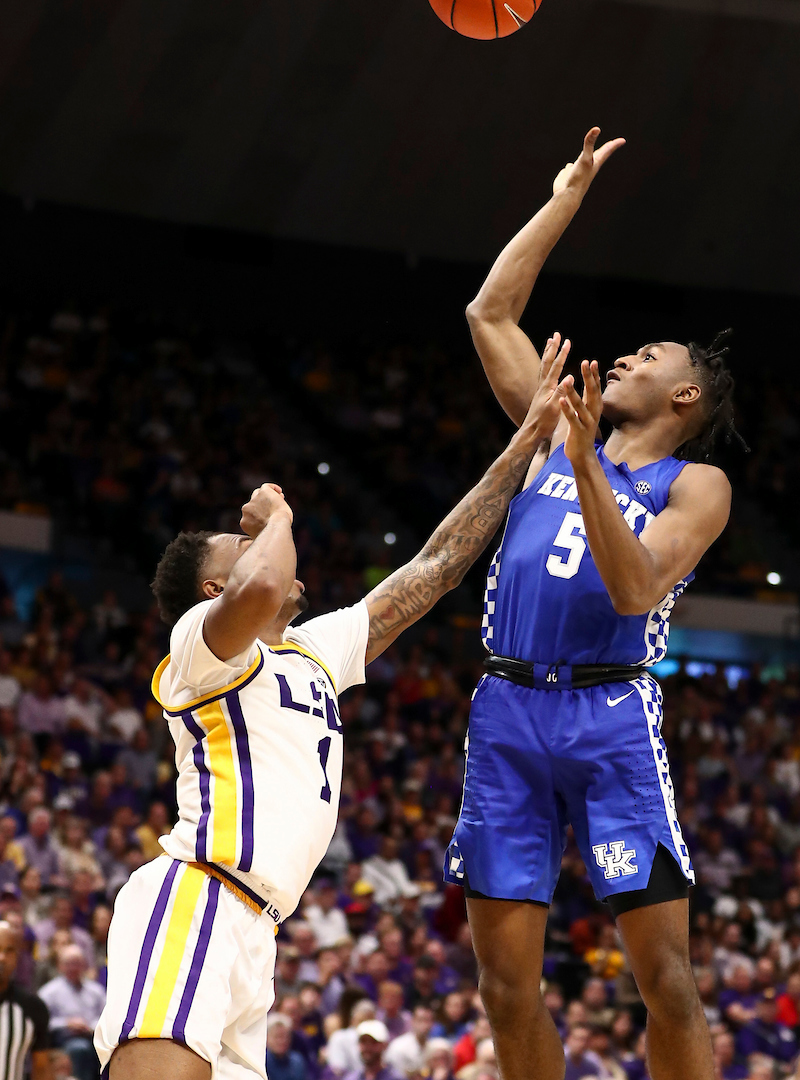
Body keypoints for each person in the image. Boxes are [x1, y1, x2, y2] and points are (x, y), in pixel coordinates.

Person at [95, 361, 568, 1080]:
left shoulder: (311, 650)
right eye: (243, 547)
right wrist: (278, 519)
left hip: (258, 926)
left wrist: (527, 439)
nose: (270, 549)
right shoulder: (200, 645)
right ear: (214, 588)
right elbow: (258, 587)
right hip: (198, 892)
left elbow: (436, 566)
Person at [448, 126, 742, 1080]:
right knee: (503, 987)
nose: (623, 359)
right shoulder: (552, 430)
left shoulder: (696, 485)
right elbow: (490, 312)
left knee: (667, 981)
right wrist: (563, 201)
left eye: (647, 356)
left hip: (609, 711)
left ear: (685, 395)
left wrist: (582, 462)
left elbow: (636, 587)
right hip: (507, 706)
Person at [39, 944, 105, 1080]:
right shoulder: (48, 992)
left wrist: (91, 1026)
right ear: (60, 966)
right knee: (80, 1048)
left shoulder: (96, 991)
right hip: (63, 1039)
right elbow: (42, 1023)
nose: (73, 968)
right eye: (68, 964)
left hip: (93, 1036)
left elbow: (105, 1017)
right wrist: (67, 1023)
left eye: (77, 963)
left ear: (84, 965)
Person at [0, 920, 50, 1080]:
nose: (2, 957)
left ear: (17, 956)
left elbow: (41, 1069)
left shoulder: (33, 1007)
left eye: (9, 950)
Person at [384, 1005, 435, 1077]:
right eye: (420, 1020)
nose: (424, 1025)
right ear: (413, 1021)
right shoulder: (398, 1046)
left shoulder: (434, 1047)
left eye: (427, 1020)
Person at [266, 1013, 308, 1080]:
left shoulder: (297, 1061)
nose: (281, 1041)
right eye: (277, 1037)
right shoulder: (261, 1062)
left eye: (285, 1037)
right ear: (267, 1038)